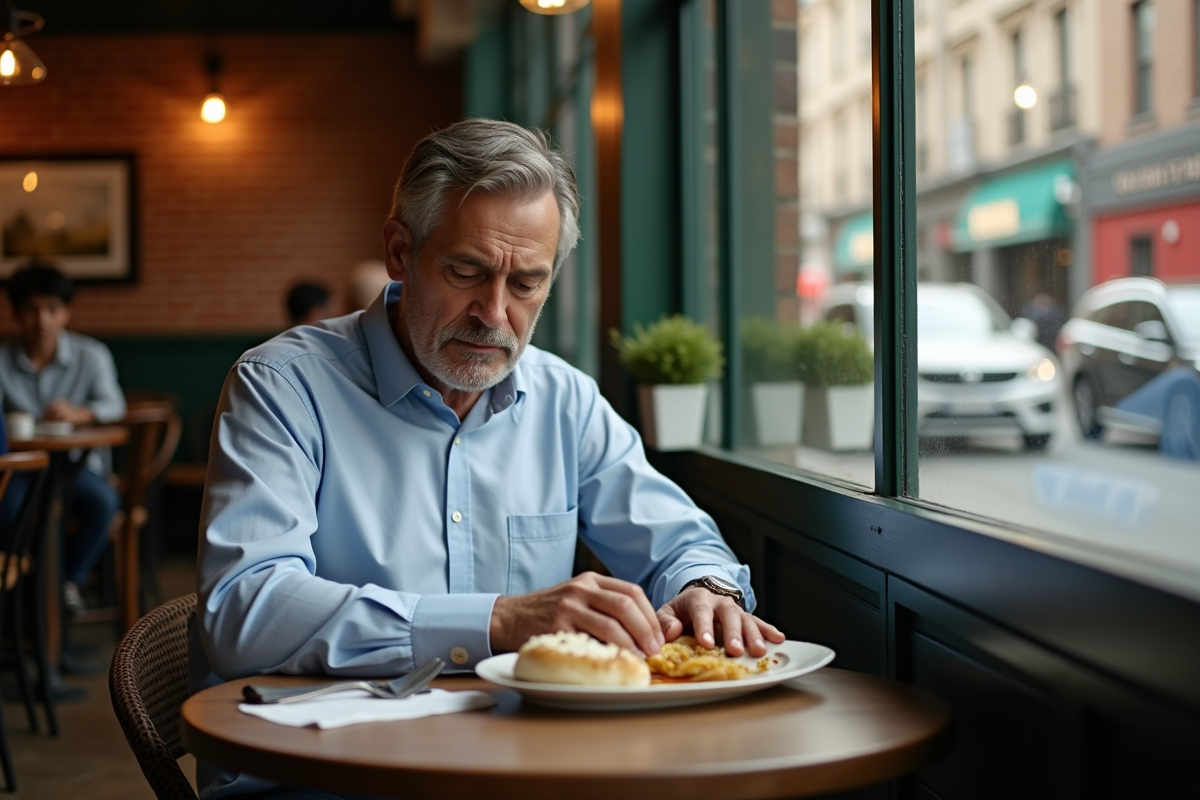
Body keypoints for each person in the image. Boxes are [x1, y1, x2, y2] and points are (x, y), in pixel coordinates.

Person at [192, 119, 785, 798]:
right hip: (320, 777)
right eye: (466, 272)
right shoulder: (282, 387)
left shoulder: (565, 400)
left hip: (515, 769)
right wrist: (497, 621)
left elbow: (676, 540)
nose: (495, 314)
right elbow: (245, 610)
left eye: (526, 284)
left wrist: (707, 591)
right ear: (398, 250)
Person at [0, 263, 125, 615]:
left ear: (66, 312)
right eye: (31, 309)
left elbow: (113, 405)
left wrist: (78, 413)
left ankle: (67, 584)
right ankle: (25, 596)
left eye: (52, 309)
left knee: (103, 502)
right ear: (16, 313)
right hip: (22, 469)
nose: (42, 320)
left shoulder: (92, 355)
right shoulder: (2, 359)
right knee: (8, 509)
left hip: (75, 466)